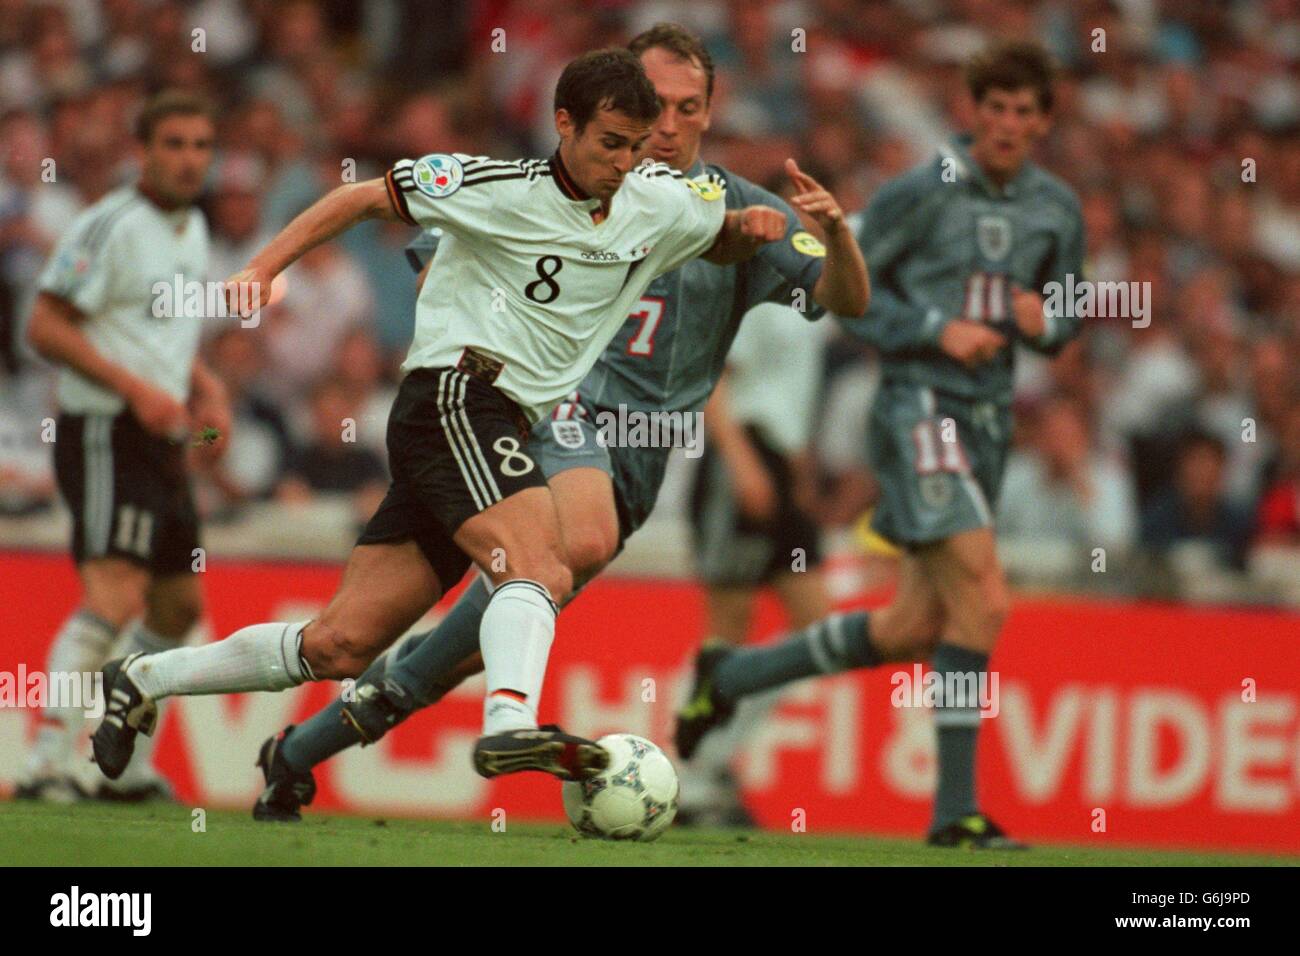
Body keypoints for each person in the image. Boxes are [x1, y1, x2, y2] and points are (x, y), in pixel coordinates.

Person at [90, 48, 791, 786]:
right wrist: (262, 270)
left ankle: (144, 677)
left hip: (499, 426)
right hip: (456, 397)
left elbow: (715, 235)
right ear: (563, 125)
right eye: (607, 143)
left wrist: (749, 227)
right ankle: (510, 725)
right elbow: (361, 199)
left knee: (337, 646)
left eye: (633, 146)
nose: (621, 162)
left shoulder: (658, 200)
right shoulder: (496, 185)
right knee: (538, 563)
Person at [248, 22, 869, 822]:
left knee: (476, 638)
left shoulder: (736, 210)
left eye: (687, 107)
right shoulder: (559, 186)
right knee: (567, 547)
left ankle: (309, 746)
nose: (667, 126)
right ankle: (499, 720)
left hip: (638, 460)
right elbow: (442, 249)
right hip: (544, 410)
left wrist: (841, 237)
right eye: (654, 106)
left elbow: (847, 300)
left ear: (710, 114)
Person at [674, 40, 1085, 849]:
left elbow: (1064, 314)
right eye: (992, 107)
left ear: (1043, 121)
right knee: (987, 598)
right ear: (972, 111)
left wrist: (1052, 321)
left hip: (990, 424)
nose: (1004, 124)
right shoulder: (924, 189)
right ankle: (955, 814)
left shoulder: (1057, 211)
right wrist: (936, 327)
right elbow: (845, 291)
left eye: (1021, 111)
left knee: (913, 628)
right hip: (917, 408)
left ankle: (732, 674)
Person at [18, 91, 229, 802]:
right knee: (113, 595)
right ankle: (45, 762)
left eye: (201, 145)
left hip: (165, 439)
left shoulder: (192, 227)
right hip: (106, 429)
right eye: (174, 143)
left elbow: (158, 329)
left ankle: (124, 768)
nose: (189, 158)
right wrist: (133, 388)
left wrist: (205, 387)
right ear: (142, 151)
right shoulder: (108, 225)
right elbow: (43, 327)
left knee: (176, 607)